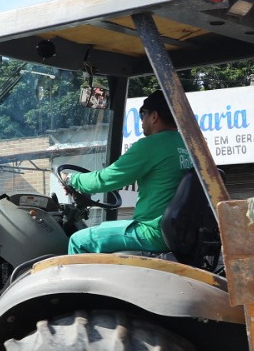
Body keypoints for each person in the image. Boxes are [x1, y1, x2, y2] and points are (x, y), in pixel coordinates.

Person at [62, 90, 191, 254]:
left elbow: (106, 179)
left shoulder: (151, 145)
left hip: (152, 232)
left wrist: (72, 180)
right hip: (179, 233)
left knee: (78, 240)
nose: (142, 121)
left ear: (154, 116)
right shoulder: (188, 145)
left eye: (142, 114)